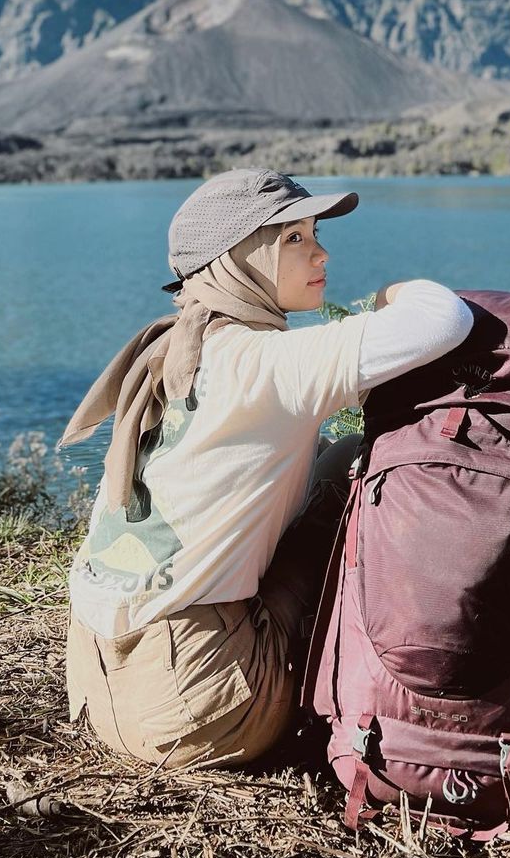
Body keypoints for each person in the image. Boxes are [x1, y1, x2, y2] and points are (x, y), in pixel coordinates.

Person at [60, 167, 474, 769]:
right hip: (203, 709)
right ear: (240, 258)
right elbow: (443, 318)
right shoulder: (264, 364)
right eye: (295, 239)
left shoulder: (179, 349)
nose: (322, 252)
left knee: (330, 459)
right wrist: (397, 292)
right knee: (361, 475)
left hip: (100, 683)